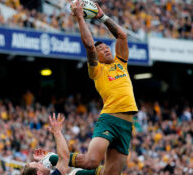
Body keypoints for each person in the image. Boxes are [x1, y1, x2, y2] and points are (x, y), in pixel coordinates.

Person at [49, 0, 138, 175]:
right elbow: (89, 46)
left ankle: (73, 173)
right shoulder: (97, 70)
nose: (105, 49)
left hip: (127, 125)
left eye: (106, 46)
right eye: (101, 49)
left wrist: (103, 17)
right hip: (110, 119)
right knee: (91, 162)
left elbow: (121, 35)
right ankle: (53, 159)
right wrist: (80, 18)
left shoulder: (121, 62)